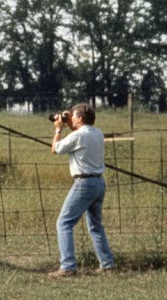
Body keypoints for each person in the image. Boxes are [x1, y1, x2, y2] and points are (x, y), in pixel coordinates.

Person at [48, 103, 116, 278]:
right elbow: (78, 137)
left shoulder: (77, 136)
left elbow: (55, 149)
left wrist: (58, 129)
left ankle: (68, 266)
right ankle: (107, 264)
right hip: (99, 183)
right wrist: (69, 125)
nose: (70, 118)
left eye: (72, 116)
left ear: (79, 117)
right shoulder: (97, 133)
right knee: (95, 226)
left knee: (63, 223)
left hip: (83, 184)